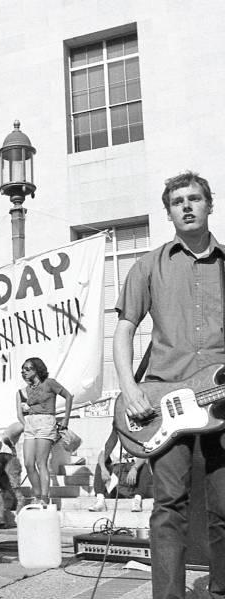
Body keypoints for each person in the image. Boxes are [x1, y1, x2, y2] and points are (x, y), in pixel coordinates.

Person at [113, 171, 225, 599]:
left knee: (223, 508)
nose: (187, 206)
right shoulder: (149, 265)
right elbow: (124, 329)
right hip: (165, 402)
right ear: (169, 212)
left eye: (195, 198)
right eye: (178, 201)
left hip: (220, 399)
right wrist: (129, 387)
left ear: (209, 204)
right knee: (169, 507)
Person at [16, 357, 73, 505]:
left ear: (37, 369)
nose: (24, 372)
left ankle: (44, 497)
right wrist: (26, 423)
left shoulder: (49, 383)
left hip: (46, 422)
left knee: (41, 462)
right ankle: (37, 494)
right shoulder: (27, 390)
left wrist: (66, 419)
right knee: (28, 463)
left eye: (28, 369)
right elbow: (20, 412)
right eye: (23, 369)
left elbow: (68, 396)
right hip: (30, 424)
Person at [88, 425, 153, 513]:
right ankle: (100, 501)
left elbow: (145, 454)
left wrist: (135, 468)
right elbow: (102, 454)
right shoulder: (114, 438)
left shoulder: (140, 435)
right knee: (100, 465)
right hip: (118, 471)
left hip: (132, 471)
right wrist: (103, 469)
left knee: (144, 467)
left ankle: (137, 500)